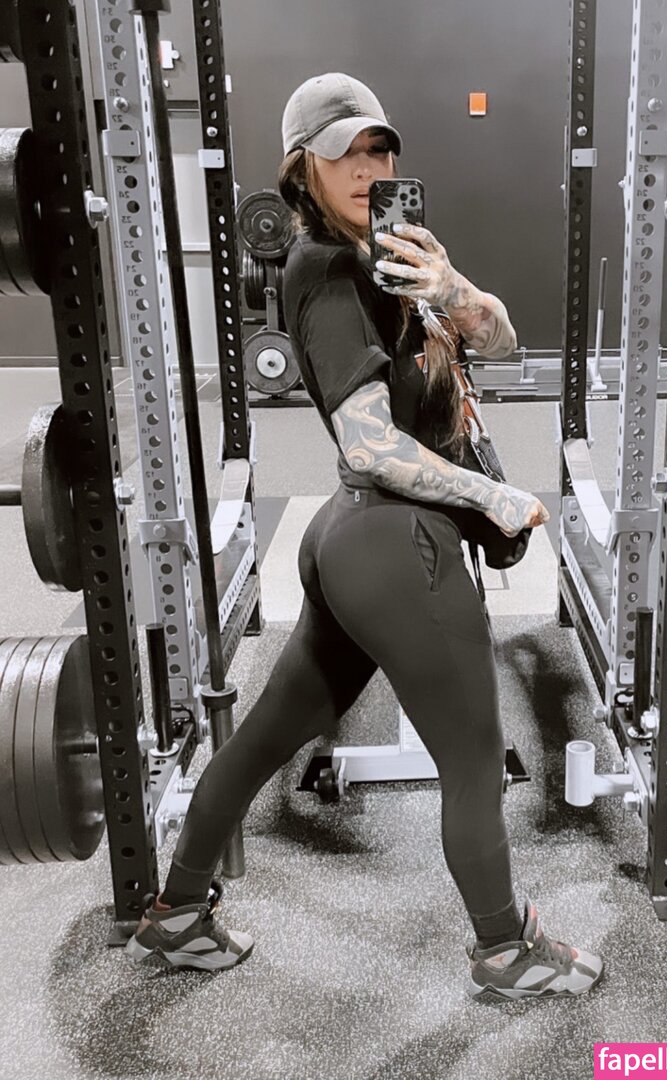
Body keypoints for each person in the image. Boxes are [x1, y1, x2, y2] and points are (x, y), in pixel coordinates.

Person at [126, 72, 604, 1001]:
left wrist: (454, 287)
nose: (367, 167)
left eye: (379, 149)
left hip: (358, 540)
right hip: (394, 543)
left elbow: (503, 344)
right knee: (474, 762)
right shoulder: (325, 271)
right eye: (344, 152)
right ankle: (506, 950)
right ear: (302, 167)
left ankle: (177, 909)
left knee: (270, 733)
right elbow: (369, 443)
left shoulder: (393, 257)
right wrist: (495, 499)